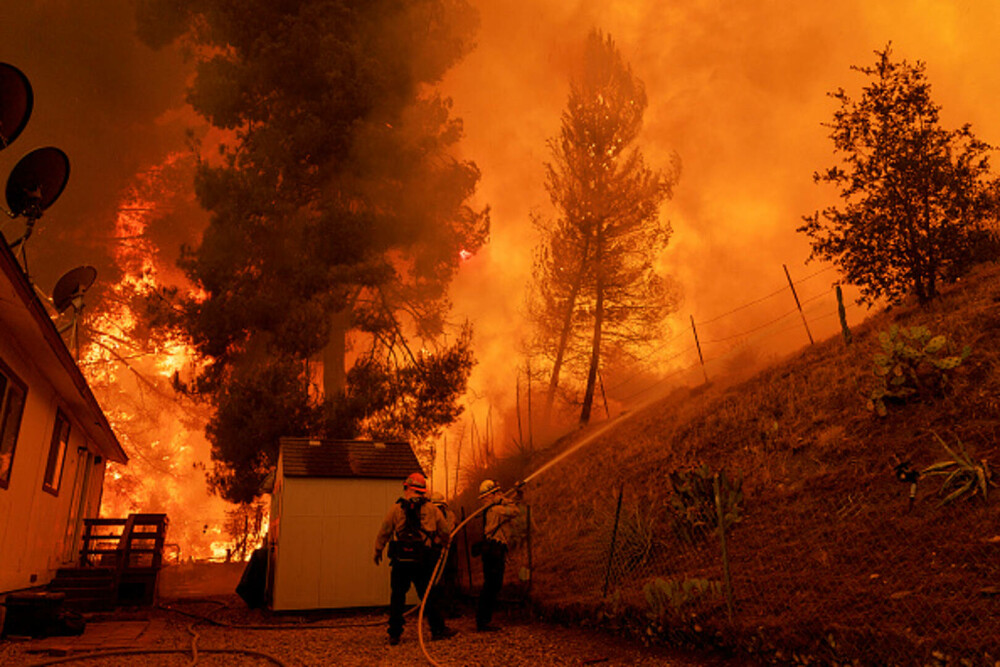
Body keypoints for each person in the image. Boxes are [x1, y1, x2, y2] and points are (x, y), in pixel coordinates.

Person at [374, 472, 457, 645]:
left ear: (407, 488)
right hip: (422, 560)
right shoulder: (432, 509)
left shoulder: (397, 508)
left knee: (397, 596)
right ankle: (438, 630)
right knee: (428, 596)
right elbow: (444, 531)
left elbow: (384, 531)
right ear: (422, 491)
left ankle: (395, 634)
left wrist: (378, 550)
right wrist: (445, 543)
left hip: (400, 560)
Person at [475, 478, 522, 632]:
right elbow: (515, 511)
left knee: (492, 585)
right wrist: (503, 499)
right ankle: (483, 622)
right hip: (494, 550)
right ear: (490, 495)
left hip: (493, 550)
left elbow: (514, 504)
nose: (501, 494)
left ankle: (483, 621)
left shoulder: (494, 508)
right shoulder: (495, 510)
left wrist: (517, 492)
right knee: (492, 586)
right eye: (497, 492)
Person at [429, 491, 460, 617]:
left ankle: (450, 607)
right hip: (435, 550)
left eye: (440, 506)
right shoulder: (429, 517)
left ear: (444, 506)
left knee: (449, 578)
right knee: (434, 580)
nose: (438, 509)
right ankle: (435, 609)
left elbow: (450, 530)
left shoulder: (450, 516)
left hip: (449, 550)